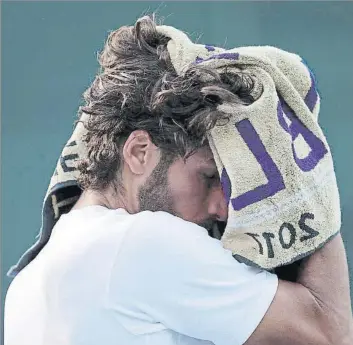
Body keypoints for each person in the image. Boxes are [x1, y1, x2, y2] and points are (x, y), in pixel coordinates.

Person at [4, 15, 352, 345]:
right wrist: (304, 188)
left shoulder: (27, 284)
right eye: (209, 177)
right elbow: (330, 333)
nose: (223, 208)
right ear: (140, 151)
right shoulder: (141, 244)